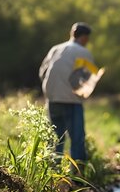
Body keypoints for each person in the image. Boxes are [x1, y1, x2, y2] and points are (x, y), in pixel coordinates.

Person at [39, 22, 99, 162]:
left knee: (55, 138)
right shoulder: (83, 52)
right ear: (84, 37)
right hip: (71, 101)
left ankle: (53, 174)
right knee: (77, 138)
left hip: (52, 98)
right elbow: (89, 78)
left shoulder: (55, 49)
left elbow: (42, 72)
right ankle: (76, 176)